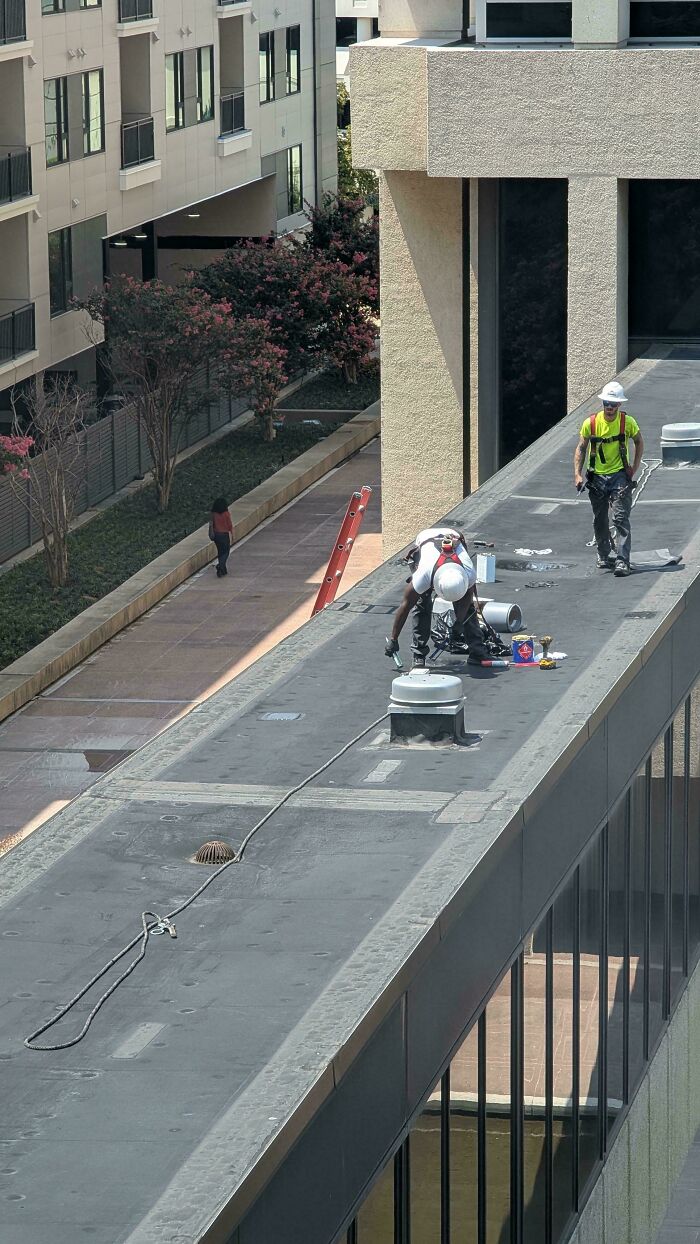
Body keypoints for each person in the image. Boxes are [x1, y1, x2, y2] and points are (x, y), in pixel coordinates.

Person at [385, 527, 490, 669]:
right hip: (426, 540)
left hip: (453, 535)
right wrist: (393, 639)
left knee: (468, 607)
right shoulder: (423, 576)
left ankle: (477, 651)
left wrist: (459, 622)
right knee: (422, 603)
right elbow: (405, 606)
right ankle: (419, 654)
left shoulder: (468, 572)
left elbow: (466, 600)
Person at [574, 380, 644, 578]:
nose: (610, 408)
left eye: (613, 404)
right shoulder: (591, 423)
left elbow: (639, 441)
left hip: (620, 476)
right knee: (600, 519)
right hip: (596, 477)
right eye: (607, 404)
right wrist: (578, 474)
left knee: (620, 518)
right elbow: (581, 448)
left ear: (619, 405)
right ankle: (603, 555)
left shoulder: (627, 423)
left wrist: (634, 468)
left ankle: (622, 561)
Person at [209, 497, 233, 577]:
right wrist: (232, 533)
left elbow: (211, 523)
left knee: (220, 551)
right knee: (226, 551)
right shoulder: (226, 513)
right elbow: (229, 524)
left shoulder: (213, 514)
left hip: (216, 535)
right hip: (224, 534)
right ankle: (220, 566)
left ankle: (223, 569)